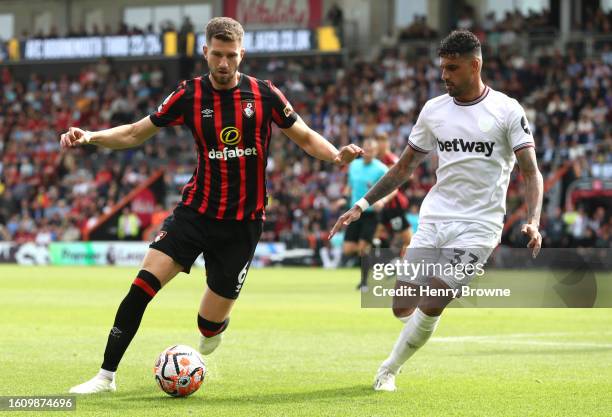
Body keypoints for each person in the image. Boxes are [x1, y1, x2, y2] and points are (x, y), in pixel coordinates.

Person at [62, 17, 362, 394]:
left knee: (208, 326)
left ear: (242, 54)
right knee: (141, 287)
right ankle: (105, 376)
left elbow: (302, 135)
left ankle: (214, 328)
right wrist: (90, 136)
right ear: (205, 52)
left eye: (231, 56)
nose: (223, 64)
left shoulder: (264, 94)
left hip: (242, 224)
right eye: (216, 55)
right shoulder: (188, 95)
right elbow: (136, 131)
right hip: (195, 213)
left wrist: (336, 155)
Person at [330, 30, 543, 391]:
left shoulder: (507, 111)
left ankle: (389, 369)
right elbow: (402, 167)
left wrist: (534, 221)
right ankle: (416, 329)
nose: (444, 75)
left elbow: (530, 172)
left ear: (475, 65)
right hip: (435, 218)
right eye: (442, 67)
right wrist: (361, 205)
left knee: (433, 299)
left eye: (452, 68)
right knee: (402, 306)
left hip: (479, 226)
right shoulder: (434, 110)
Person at [339, 138, 391, 291]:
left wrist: (383, 200)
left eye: (371, 150)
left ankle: (364, 283)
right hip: (353, 211)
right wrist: (343, 198)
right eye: (365, 149)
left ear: (376, 152)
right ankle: (374, 246)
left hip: (370, 213)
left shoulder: (381, 169)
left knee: (362, 248)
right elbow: (350, 186)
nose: (367, 152)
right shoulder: (354, 165)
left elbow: (392, 188)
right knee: (348, 250)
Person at [375, 133, 412, 256]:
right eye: (378, 141)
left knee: (406, 239)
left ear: (387, 143)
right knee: (376, 233)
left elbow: (406, 174)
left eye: (382, 141)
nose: (380, 145)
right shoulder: (376, 160)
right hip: (383, 206)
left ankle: (404, 264)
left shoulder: (391, 159)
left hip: (393, 206)